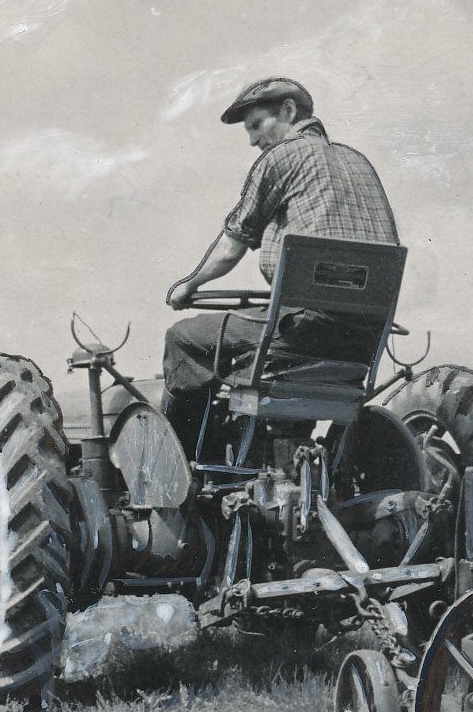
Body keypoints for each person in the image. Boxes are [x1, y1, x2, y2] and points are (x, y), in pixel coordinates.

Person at [162, 77, 399, 452]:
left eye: (257, 125)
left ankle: (186, 470)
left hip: (302, 332)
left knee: (183, 338)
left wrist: (188, 286)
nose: (253, 140)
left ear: (289, 111)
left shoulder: (281, 158)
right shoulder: (358, 162)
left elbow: (230, 247)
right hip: (362, 342)